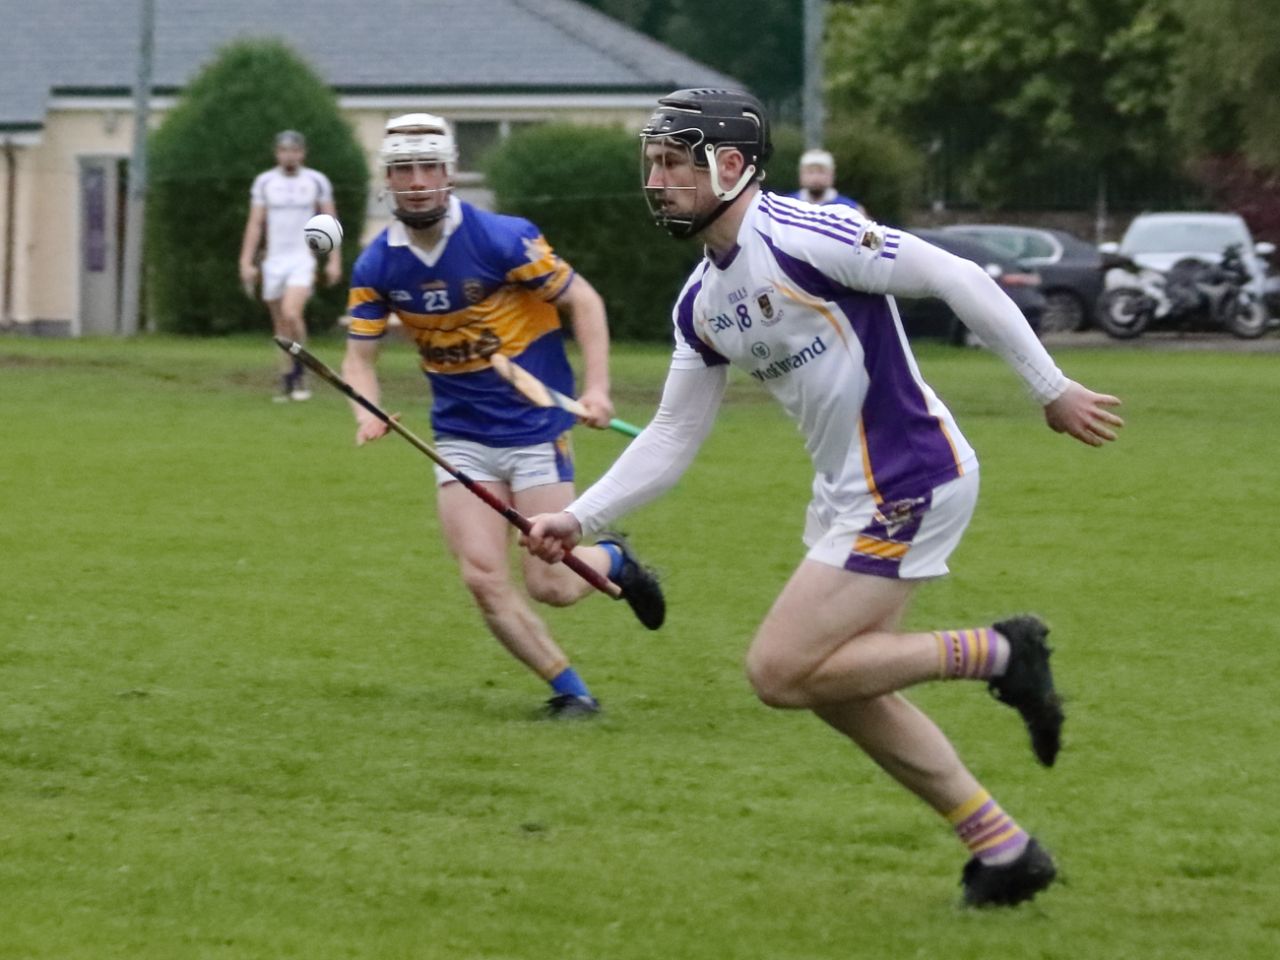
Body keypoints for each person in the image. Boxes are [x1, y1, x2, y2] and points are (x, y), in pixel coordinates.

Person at [523, 89, 1124, 903]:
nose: (656, 181)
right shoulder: (700, 302)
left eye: (672, 163)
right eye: (652, 164)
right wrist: (577, 516)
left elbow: (955, 274)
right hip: (850, 494)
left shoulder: (805, 236)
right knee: (838, 685)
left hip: (911, 477)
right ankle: (1004, 850)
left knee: (779, 671)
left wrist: (1050, 387)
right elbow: (669, 438)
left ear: (730, 167)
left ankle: (1001, 653)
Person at [340, 113, 663, 719]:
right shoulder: (376, 266)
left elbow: (584, 301)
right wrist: (367, 408)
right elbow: (358, 360)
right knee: (483, 577)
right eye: (403, 170)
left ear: (450, 173)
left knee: (553, 584)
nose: (416, 182)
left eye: (427, 168)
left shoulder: (501, 239)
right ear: (387, 179)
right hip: (459, 437)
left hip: (534, 429)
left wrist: (597, 389)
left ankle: (614, 559)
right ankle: (572, 693)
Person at [239, 130, 343, 402]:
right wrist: (246, 261)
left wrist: (334, 259)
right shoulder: (265, 182)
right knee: (280, 325)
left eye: (295, 150)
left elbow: (328, 221)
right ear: (277, 153)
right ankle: (287, 378)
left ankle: (302, 369)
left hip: (301, 259)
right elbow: (255, 223)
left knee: (292, 313)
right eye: (285, 150)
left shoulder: (316, 181)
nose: (290, 155)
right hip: (274, 260)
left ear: (303, 153)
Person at [789, 147, 864, 213]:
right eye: (810, 172)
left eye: (821, 172)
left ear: (832, 175)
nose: (816, 177)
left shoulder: (851, 209)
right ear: (801, 175)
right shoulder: (788, 206)